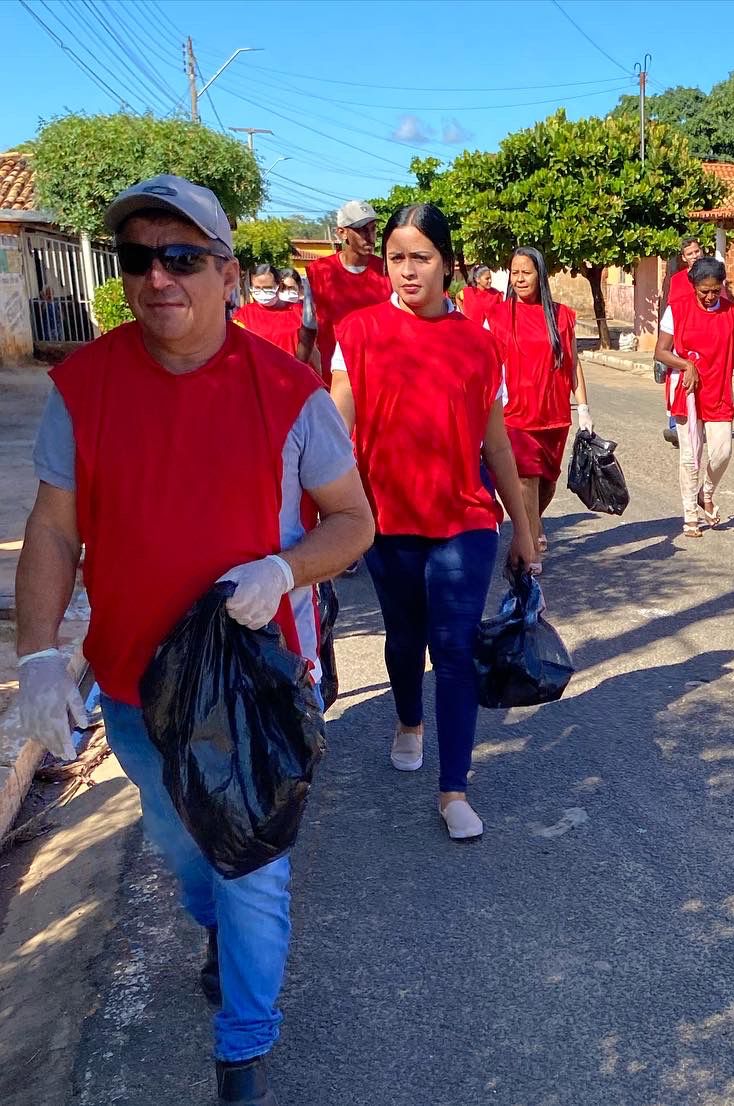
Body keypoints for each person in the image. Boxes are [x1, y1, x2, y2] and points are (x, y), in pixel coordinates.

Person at [13, 175, 374, 1104]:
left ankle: (243, 1047)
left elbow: (353, 522)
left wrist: (283, 569)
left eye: (181, 257)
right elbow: (55, 528)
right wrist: (40, 652)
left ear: (227, 272)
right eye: (139, 259)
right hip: (134, 686)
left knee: (251, 860)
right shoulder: (84, 387)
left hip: (254, 683)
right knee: (183, 848)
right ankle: (212, 920)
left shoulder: (291, 392)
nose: (158, 277)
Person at [328, 202, 536, 839]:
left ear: (447, 263)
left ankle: (454, 790)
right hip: (387, 520)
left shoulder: (478, 343)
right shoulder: (357, 332)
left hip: (464, 520)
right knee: (403, 638)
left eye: (421, 258)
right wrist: (323, 521)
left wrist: (525, 530)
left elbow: (496, 444)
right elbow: (338, 430)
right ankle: (408, 721)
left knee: (453, 646)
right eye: (396, 258)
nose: (407, 271)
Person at [488, 245, 591, 560]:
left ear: (540, 275)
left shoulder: (563, 316)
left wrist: (584, 409)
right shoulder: (497, 316)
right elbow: (483, 364)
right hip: (514, 417)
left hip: (554, 417)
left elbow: (573, 365)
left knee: (546, 486)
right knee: (525, 480)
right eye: (515, 273)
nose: (519, 279)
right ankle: (529, 551)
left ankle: (533, 522)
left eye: (526, 272)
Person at [655, 257, 734, 537]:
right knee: (690, 456)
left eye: (715, 290)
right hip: (687, 391)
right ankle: (690, 516)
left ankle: (706, 493)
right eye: (704, 291)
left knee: (722, 452)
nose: (710, 296)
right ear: (694, 287)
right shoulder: (676, 311)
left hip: (719, 391)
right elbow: (661, 351)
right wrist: (687, 365)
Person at [306, 199, 390, 384]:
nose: (369, 236)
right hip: (338, 378)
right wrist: (298, 372)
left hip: (381, 374)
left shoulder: (387, 271)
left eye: (373, 229)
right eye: (361, 230)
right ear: (342, 233)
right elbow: (308, 326)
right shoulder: (319, 272)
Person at [657, 236, 707, 447]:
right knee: (676, 380)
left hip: (704, 336)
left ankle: (701, 424)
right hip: (680, 337)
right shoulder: (678, 280)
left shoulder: (711, 275)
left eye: (697, 251)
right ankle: (675, 426)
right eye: (690, 253)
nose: (694, 256)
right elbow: (672, 310)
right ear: (684, 257)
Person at [232, 264, 307, 359]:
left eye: (267, 288)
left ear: (279, 286)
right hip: (259, 372)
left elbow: (312, 350)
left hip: (291, 371)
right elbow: (236, 349)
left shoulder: (299, 312)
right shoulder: (244, 315)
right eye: (257, 288)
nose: (262, 292)